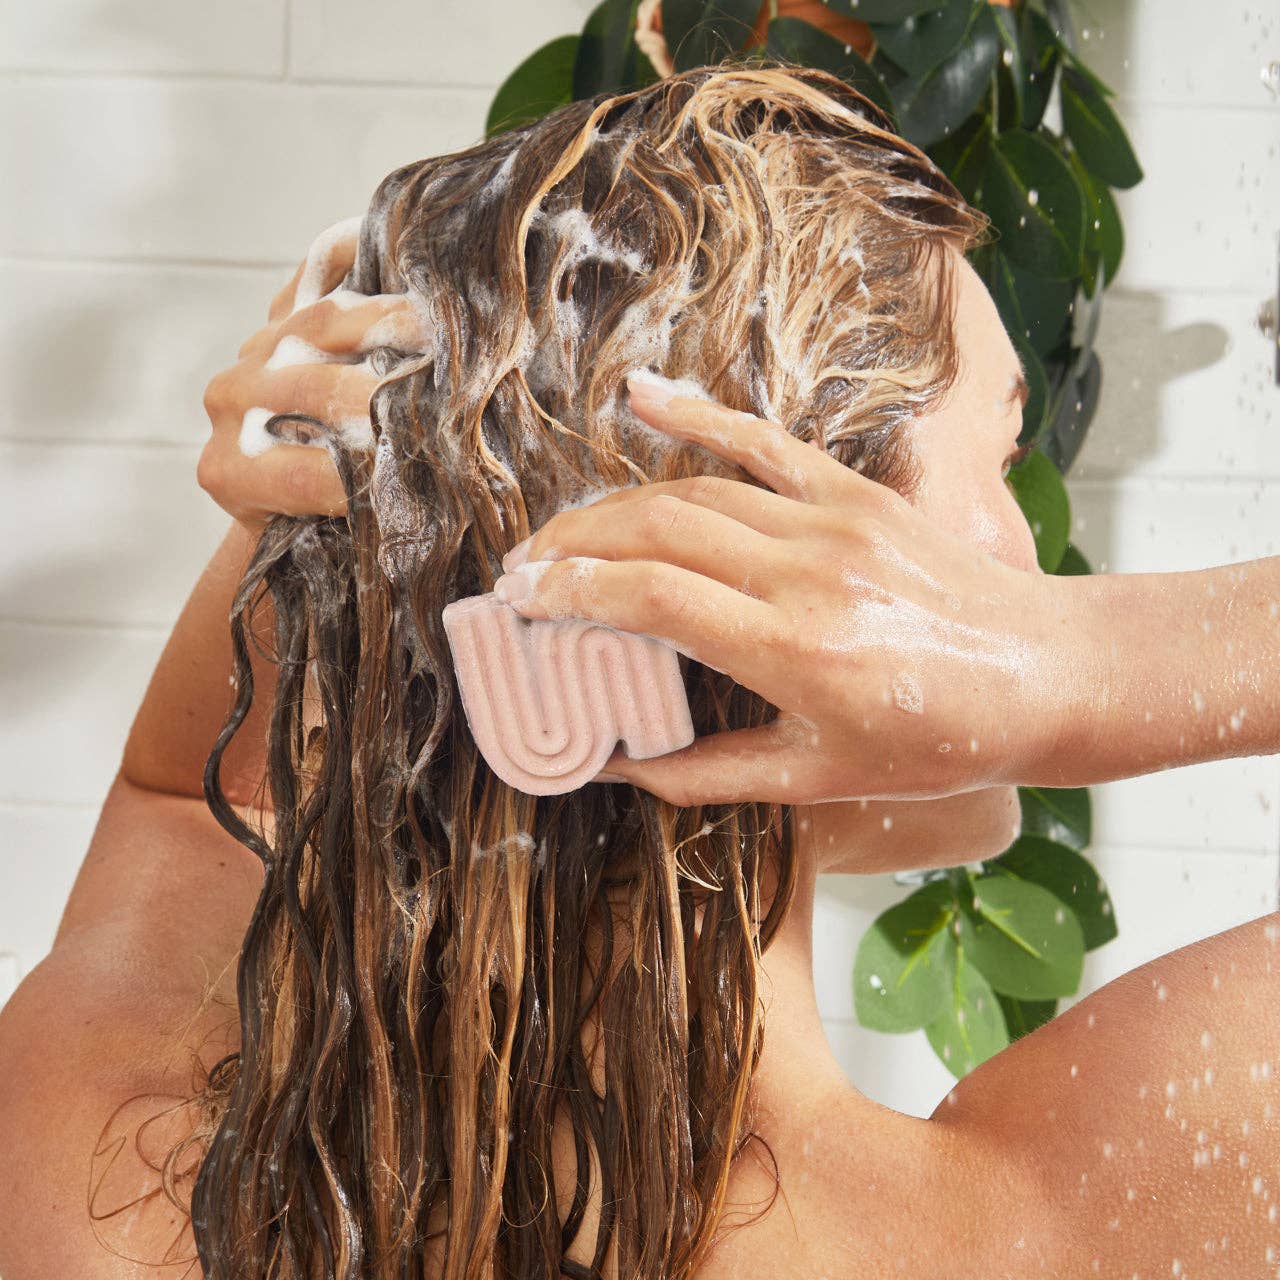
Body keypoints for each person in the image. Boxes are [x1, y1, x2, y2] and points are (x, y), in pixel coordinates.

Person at [0, 62, 1276, 1280]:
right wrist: (1076, 663)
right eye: (999, 461)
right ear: (796, 593)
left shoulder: (98, 1147)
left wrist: (362, 511)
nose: (1028, 556)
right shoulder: (1056, 1216)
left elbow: (190, 794)